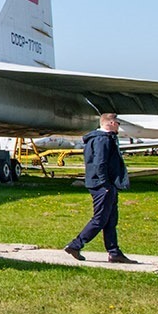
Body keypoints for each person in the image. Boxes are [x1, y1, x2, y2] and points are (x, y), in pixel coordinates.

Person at [65, 112, 135, 263]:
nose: (119, 126)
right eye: (117, 123)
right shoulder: (102, 139)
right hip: (102, 185)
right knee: (100, 219)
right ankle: (75, 245)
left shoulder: (104, 138)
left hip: (106, 184)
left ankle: (114, 252)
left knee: (110, 219)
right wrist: (105, 184)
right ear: (109, 123)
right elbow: (99, 163)